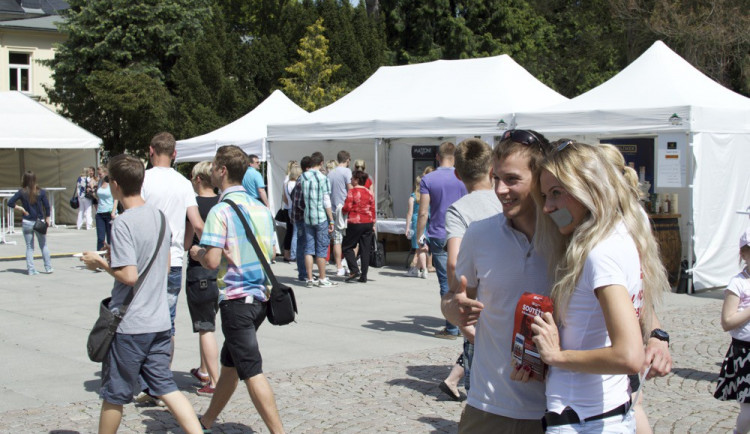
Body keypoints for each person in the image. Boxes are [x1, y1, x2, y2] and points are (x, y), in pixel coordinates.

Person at [529, 139, 669, 432]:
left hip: (583, 420)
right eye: (544, 196)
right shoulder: (622, 236)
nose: (547, 207)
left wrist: (556, 356)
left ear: (590, 188)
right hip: (605, 413)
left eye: (557, 193)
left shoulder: (600, 253)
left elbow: (629, 355)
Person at [80, 154, 203, 434]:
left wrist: (101, 263)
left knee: (114, 395)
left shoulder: (123, 222)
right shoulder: (158, 216)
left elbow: (129, 276)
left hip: (131, 325)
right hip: (159, 320)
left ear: (115, 185)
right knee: (167, 387)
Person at [443, 129, 553, 432]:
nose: (501, 190)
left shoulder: (567, 238)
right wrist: (454, 310)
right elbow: (454, 298)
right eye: (496, 179)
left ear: (541, 177)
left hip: (557, 406)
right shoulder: (479, 234)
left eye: (513, 179)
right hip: (489, 404)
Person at [189, 145, 285, 434]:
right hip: (261, 299)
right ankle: (206, 421)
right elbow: (272, 253)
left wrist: (197, 253)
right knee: (230, 364)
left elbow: (212, 260)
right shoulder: (261, 208)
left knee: (251, 369)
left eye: (215, 167)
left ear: (222, 171)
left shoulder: (220, 211)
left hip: (236, 300)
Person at [439, 138, 502, 401]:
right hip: (513, 301)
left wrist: (455, 295)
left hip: (482, 304)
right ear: (491, 170)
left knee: (481, 394)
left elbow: (453, 261)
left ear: (458, 174)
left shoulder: (460, 209)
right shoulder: (508, 200)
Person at [141, 131, 204, 355]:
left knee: (143, 320)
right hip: (175, 258)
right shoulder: (183, 183)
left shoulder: (143, 179)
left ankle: (146, 374)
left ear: (151, 150)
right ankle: (163, 375)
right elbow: (197, 223)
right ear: (174, 154)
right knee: (168, 322)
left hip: (147, 259)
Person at [416, 141, 467, 339]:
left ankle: (452, 326)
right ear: (455, 156)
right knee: (466, 278)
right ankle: (465, 324)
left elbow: (423, 211)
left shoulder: (428, 179)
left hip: (439, 232)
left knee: (446, 282)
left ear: (437, 156)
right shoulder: (462, 178)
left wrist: (420, 234)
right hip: (463, 231)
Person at [183, 161, 220, 397]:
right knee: (206, 320)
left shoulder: (193, 205)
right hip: (220, 270)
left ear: (198, 179)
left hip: (200, 269)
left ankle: (214, 381)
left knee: (205, 327)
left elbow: (187, 242)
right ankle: (204, 370)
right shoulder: (222, 202)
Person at [715, 228, 750, 434]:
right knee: (748, 411)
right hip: (745, 353)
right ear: (743, 255)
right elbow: (727, 321)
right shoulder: (738, 283)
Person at [299, 153, 337, 288]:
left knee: (309, 249)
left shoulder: (303, 176)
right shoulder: (323, 178)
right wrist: (331, 220)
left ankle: (309, 279)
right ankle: (322, 278)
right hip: (320, 216)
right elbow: (326, 201)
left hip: (308, 216)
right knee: (321, 249)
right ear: (321, 163)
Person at [8, 170, 53, 275]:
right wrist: (47, 218)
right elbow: (47, 206)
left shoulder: (22, 192)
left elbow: (10, 202)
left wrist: (21, 209)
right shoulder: (40, 192)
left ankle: (31, 269)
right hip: (39, 221)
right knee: (43, 245)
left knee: (29, 247)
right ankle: (48, 267)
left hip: (27, 221)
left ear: (24, 180)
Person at [342, 170, 376, 283]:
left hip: (356, 221)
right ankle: (364, 276)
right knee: (365, 249)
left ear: (356, 180)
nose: (350, 180)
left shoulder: (353, 191)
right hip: (368, 222)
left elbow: (347, 207)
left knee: (347, 247)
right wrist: (374, 223)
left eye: (352, 178)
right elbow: (373, 209)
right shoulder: (369, 192)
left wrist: (341, 210)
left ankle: (354, 269)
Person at [328, 150, 353, 277]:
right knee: (349, 239)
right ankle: (346, 264)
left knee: (337, 239)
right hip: (344, 209)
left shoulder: (331, 173)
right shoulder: (347, 172)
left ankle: (339, 267)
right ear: (347, 159)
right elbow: (350, 189)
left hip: (333, 208)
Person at [290, 157, 311, 281]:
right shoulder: (301, 180)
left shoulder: (301, 180)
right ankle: (303, 273)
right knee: (302, 245)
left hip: (301, 217)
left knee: (303, 244)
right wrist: (310, 210)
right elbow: (299, 202)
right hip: (301, 217)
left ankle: (304, 273)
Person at [405, 175, 428, 278]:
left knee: (419, 248)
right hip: (426, 222)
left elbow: (409, 213)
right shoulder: (426, 196)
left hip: (416, 223)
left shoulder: (413, 196)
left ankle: (422, 269)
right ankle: (418, 269)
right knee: (422, 247)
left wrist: (407, 228)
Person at [94, 166, 118, 251]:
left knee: (110, 238)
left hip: (109, 212)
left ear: (106, 173)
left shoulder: (111, 184)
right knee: (100, 238)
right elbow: (98, 197)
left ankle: (112, 259)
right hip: (100, 213)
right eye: (98, 174)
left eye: (100, 174)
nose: (99, 175)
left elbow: (116, 198)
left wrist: (113, 211)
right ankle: (99, 258)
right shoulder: (100, 183)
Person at [282, 163, 301, 262]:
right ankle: (294, 254)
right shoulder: (295, 184)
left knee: (291, 231)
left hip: (288, 208)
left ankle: (291, 253)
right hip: (294, 208)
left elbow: (284, 198)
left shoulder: (287, 183)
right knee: (296, 232)